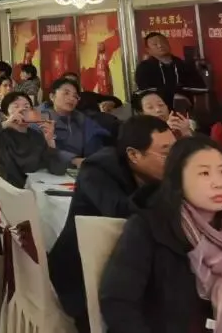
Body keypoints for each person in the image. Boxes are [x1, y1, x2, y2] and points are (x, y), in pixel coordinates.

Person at [100, 135, 222, 333]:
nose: (218, 183)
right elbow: (118, 303)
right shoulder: (149, 228)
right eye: (204, 173)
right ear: (178, 181)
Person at [48, 114, 175, 330]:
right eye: (166, 153)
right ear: (133, 155)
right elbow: (122, 213)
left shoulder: (163, 172)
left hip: (136, 268)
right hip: (83, 275)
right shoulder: (97, 169)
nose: (175, 160)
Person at [0, 91, 67, 188]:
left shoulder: (37, 136)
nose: (22, 109)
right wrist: (6, 123)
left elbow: (58, 169)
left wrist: (50, 140)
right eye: (16, 106)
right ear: (5, 114)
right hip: (7, 190)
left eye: (27, 107)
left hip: (34, 188)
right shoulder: (0, 133)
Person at [38, 77, 109, 166]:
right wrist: (73, 160)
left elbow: (96, 147)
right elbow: (40, 150)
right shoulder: (41, 119)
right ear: (52, 96)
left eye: (75, 96)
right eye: (66, 93)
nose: (71, 98)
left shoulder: (82, 120)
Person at [133, 31, 205, 105]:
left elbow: (200, 88)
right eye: (155, 44)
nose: (160, 45)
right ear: (148, 50)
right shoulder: (144, 68)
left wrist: (181, 93)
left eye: (163, 42)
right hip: (156, 108)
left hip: (182, 107)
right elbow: (145, 91)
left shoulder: (183, 65)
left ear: (168, 44)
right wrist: (173, 95)